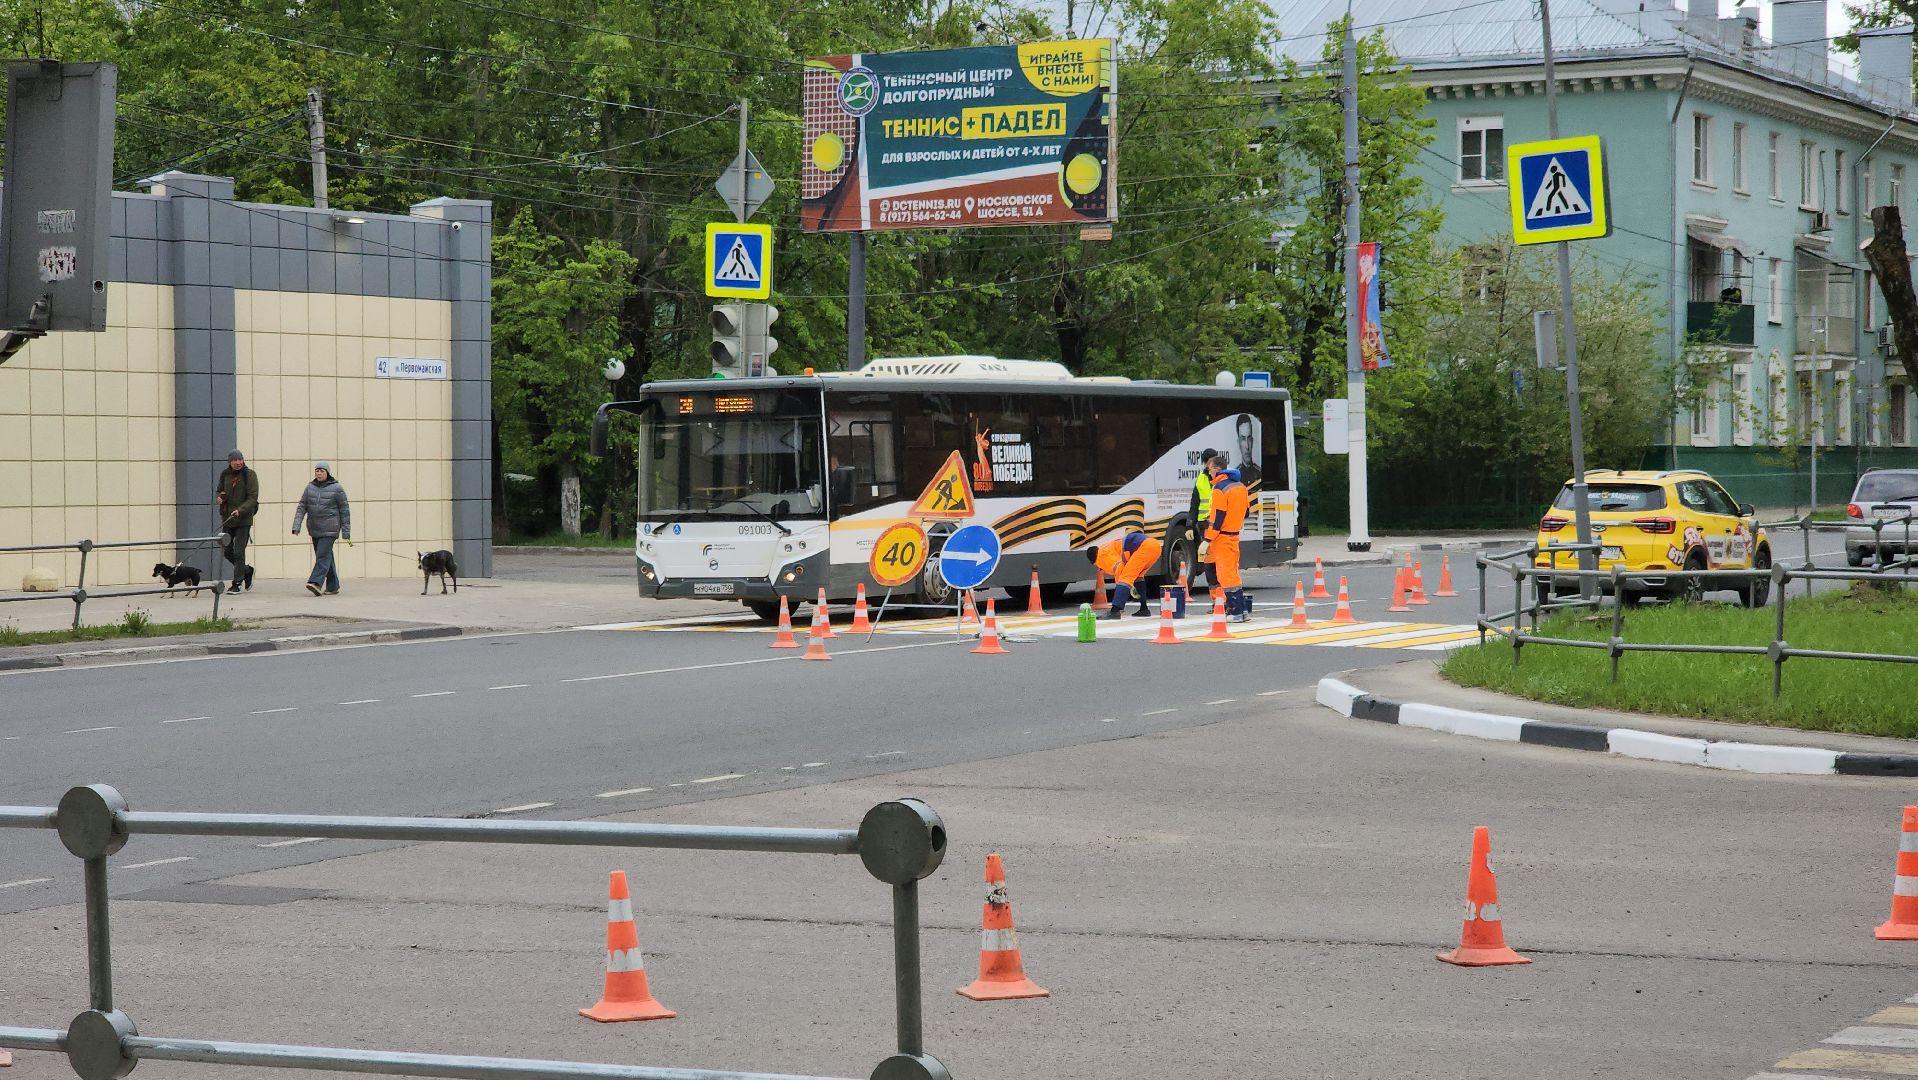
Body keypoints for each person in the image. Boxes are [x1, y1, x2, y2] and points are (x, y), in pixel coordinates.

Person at [291, 462, 351, 596]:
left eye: (321, 471)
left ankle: (315, 582)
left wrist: (346, 532)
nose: (318, 473)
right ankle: (333, 586)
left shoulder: (337, 488)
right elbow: (302, 507)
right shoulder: (310, 488)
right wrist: (296, 525)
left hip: (330, 528)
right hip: (315, 528)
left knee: (322, 555)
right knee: (326, 555)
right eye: (317, 471)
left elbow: (345, 510)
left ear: (327, 473)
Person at [1084, 530, 1162, 620]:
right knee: (1138, 577)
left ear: (1094, 561)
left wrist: (1120, 590)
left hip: (1144, 547)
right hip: (1155, 546)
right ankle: (1144, 609)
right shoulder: (1107, 546)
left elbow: (1119, 568)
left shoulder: (1101, 555)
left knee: (1125, 577)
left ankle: (1115, 611)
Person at [1207, 467, 1251, 622]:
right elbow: (1246, 512)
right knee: (1233, 573)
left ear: (1217, 473)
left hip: (1222, 537)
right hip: (1235, 535)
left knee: (1225, 575)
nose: (1209, 473)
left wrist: (1207, 540)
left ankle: (1235, 612)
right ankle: (1243, 610)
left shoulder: (1219, 489)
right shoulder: (1241, 487)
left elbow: (1218, 518)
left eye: (1210, 471)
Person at [214, 449, 258, 592]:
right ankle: (246, 570)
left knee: (239, 552)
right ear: (230, 462)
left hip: (243, 519)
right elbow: (219, 490)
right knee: (227, 551)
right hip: (228, 518)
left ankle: (237, 583)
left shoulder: (249, 475)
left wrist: (240, 510)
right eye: (235, 460)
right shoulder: (225, 474)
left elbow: (252, 498)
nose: (238, 462)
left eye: (240, 460)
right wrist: (220, 497)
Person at [1186, 449, 1222, 598]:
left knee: (1219, 564)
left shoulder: (1223, 478)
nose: (1214, 465)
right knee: (1209, 564)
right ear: (1207, 463)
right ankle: (1216, 602)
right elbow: (1195, 503)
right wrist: (1189, 525)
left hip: (1219, 527)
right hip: (1204, 527)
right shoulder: (1201, 479)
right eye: (1212, 461)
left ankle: (1223, 600)